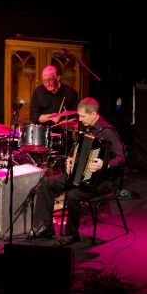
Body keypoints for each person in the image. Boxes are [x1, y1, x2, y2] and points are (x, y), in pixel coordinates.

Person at [33, 97, 126, 245]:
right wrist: (70, 159)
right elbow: (76, 149)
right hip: (79, 176)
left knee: (73, 194)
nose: (80, 119)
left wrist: (105, 164)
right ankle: (45, 227)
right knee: (46, 183)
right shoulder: (85, 128)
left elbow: (121, 158)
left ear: (94, 114)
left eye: (83, 116)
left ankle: (72, 234)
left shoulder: (108, 132)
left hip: (103, 181)